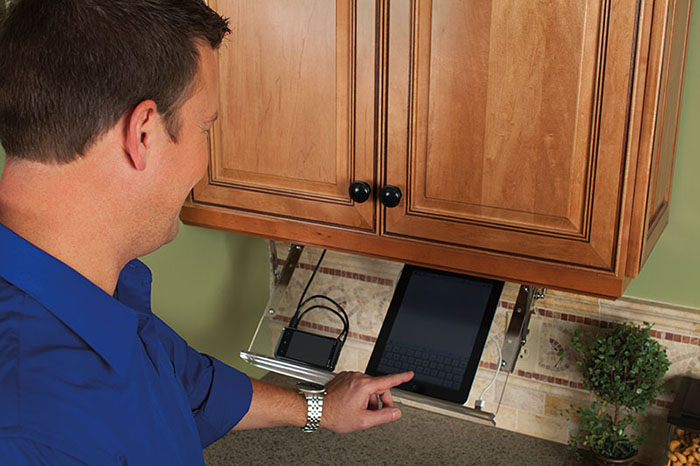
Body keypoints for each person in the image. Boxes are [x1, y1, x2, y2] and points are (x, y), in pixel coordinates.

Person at [0, 1, 414, 464]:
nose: (206, 161)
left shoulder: (89, 288)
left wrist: (321, 409)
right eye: (206, 128)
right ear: (144, 134)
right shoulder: (31, 432)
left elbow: (189, 386)